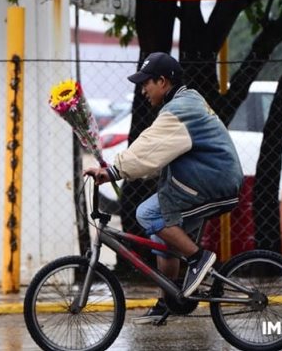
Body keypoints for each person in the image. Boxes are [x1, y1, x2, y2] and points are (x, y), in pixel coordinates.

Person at [85, 52, 243, 324]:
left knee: (148, 214)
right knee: (163, 239)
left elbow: (149, 148)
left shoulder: (179, 110)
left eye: (146, 82)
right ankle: (168, 301)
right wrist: (117, 169)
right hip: (206, 180)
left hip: (213, 183)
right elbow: (158, 155)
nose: (143, 89)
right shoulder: (184, 102)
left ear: (162, 81)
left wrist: (113, 172)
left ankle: (199, 259)